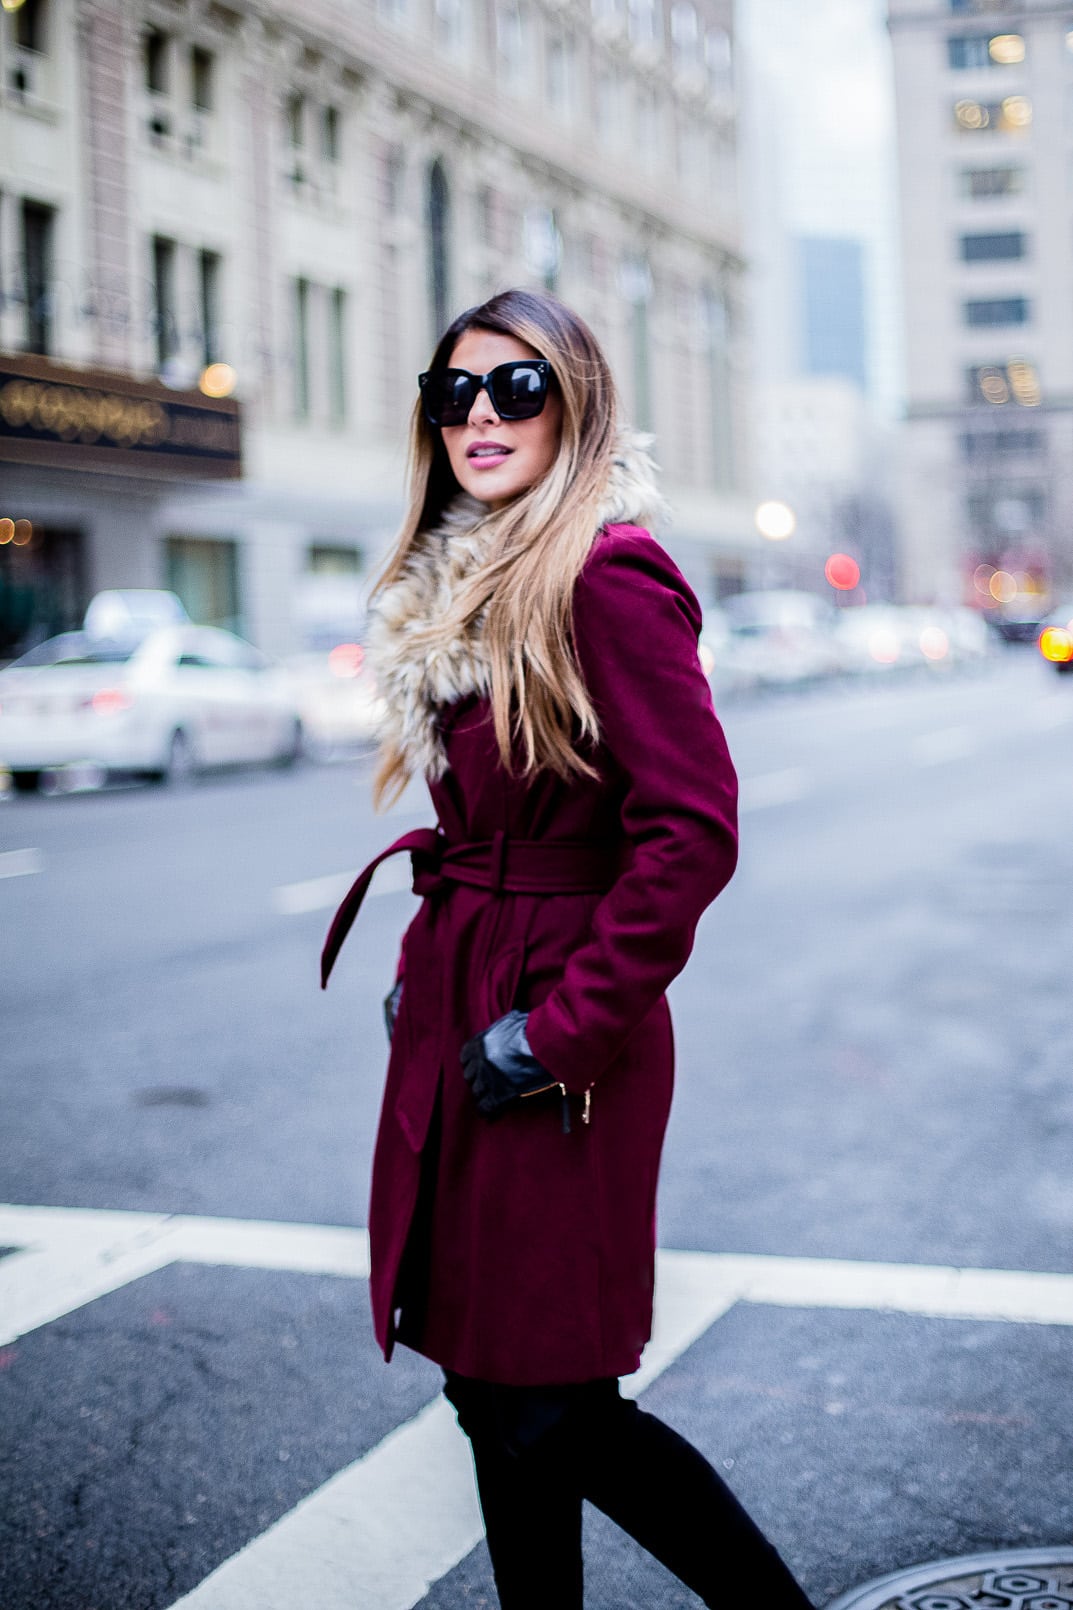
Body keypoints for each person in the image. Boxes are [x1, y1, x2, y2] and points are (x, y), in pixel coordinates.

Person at [321, 288, 815, 1610]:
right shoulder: (465, 587)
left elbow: (689, 833)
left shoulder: (603, 573)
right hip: (465, 1002)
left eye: (515, 388)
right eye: (453, 393)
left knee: (552, 1400)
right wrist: (426, 992)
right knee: (488, 1385)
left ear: (577, 400)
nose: (479, 415)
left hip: (559, 1030)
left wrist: (557, 1031)